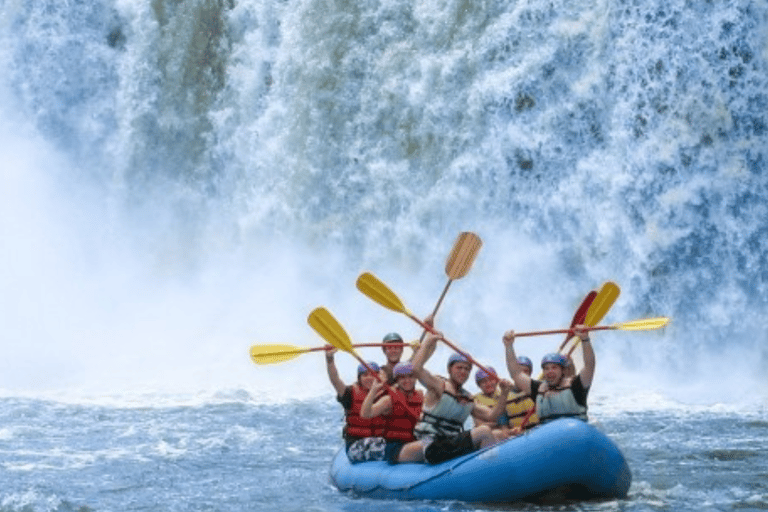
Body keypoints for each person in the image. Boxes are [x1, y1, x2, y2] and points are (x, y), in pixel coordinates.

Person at [396, 330, 513, 464]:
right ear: (450, 369)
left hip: (449, 443)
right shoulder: (439, 385)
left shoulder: (468, 398)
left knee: (498, 434)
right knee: (484, 431)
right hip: (430, 444)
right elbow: (416, 369)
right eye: (459, 368)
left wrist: (504, 394)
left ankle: (489, 467)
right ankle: (491, 471)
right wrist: (429, 341)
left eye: (467, 369)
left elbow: (493, 415)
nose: (463, 371)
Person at [503, 325, 595, 424]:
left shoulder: (576, 385)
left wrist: (585, 339)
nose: (550, 371)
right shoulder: (538, 389)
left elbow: (589, 365)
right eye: (546, 368)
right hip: (549, 435)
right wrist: (509, 346)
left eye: (554, 367)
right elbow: (516, 373)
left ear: (563, 370)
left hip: (575, 431)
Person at [325, 347, 387, 462]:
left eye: (372, 374)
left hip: (380, 440)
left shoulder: (386, 394)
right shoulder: (350, 393)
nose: (369, 378)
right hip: (356, 445)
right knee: (382, 446)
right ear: (359, 378)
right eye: (365, 375)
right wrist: (330, 359)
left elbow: (405, 373)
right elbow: (335, 379)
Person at [360, 361, 424, 463]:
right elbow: (365, 414)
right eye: (402, 377)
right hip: (395, 448)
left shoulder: (421, 396)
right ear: (397, 379)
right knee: (424, 445)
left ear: (416, 378)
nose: (407, 380)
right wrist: (373, 390)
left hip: (414, 442)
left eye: (410, 376)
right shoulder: (388, 400)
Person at [472, 366, 511, 441]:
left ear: (496, 381)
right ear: (479, 385)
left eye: (491, 380)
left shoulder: (505, 393)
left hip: (508, 431)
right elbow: (479, 424)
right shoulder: (475, 400)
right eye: (484, 381)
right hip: (491, 433)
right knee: (497, 433)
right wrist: (499, 423)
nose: (488, 383)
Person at [504, 356, 539, 432]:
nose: (522, 374)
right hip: (518, 435)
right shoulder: (504, 396)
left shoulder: (539, 389)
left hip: (538, 430)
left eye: (525, 371)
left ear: (530, 373)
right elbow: (503, 424)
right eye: (519, 371)